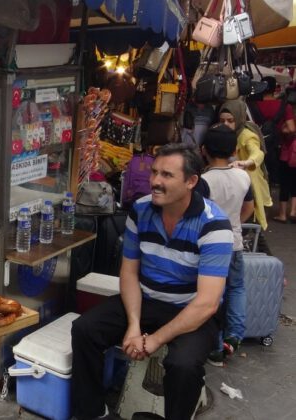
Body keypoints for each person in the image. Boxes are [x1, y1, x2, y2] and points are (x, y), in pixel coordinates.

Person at [71, 143, 233, 420]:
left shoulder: (214, 225)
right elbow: (129, 272)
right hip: (146, 299)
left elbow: (207, 303)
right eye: (154, 172)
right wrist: (134, 325)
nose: (155, 181)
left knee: (183, 365)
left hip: (192, 310)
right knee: (85, 329)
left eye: (167, 175)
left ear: (191, 181)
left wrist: (154, 340)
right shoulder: (141, 210)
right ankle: (92, 412)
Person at [196, 124, 254, 367]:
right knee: (237, 288)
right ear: (234, 150)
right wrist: (233, 226)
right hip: (236, 243)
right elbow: (249, 208)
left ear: (203, 150)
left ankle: (216, 346)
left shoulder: (203, 181)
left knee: (214, 295)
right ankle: (234, 337)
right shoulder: (243, 176)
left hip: (211, 248)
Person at [218, 99, 274, 230]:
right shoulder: (223, 133)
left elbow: (257, 153)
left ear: (239, 118)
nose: (225, 124)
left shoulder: (247, 135)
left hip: (249, 183)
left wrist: (246, 162)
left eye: (230, 121)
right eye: (222, 121)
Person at [252, 77, 296, 223]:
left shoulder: (252, 105)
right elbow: (291, 128)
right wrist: (282, 130)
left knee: (258, 177)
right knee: (277, 179)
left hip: (256, 146)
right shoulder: (285, 107)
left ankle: (258, 211)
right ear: (275, 88)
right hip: (277, 147)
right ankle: (271, 206)